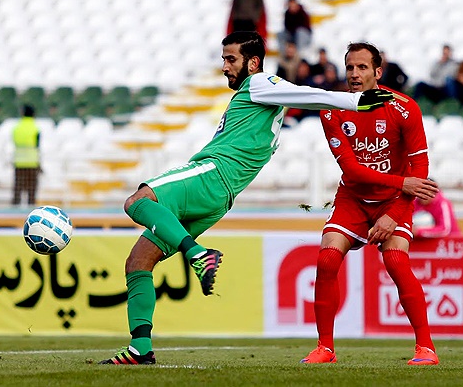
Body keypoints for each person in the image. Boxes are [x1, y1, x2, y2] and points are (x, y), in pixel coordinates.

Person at [99, 31, 405, 365]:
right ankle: (140, 348)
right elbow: (301, 98)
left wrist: (356, 101)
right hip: (221, 197)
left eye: (231, 59)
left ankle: (197, 255)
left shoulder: (260, 83)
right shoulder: (260, 97)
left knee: (137, 201)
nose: (225, 67)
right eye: (223, 60)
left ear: (253, 62)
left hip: (211, 174)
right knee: (138, 261)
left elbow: (307, 94)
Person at [301, 42, 440, 366]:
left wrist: (395, 212)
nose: (354, 74)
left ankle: (426, 348)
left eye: (362, 67)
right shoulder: (332, 108)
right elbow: (351, 169)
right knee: (326, 260)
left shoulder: (404, 108)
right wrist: (401, 181)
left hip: (394, 201)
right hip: (353, 198)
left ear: (378, 72)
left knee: (395, 261)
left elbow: (419, 171)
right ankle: (325, 348)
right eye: (350, 67)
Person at [12, 104, 41, 206]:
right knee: (31, 191)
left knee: (17, 189)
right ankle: (32, 213)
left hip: (19, 162)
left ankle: (14, 212)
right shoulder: (35, 128)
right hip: (32, 162)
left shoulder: (17, 128)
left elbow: (15, 143)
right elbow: (37, 146)